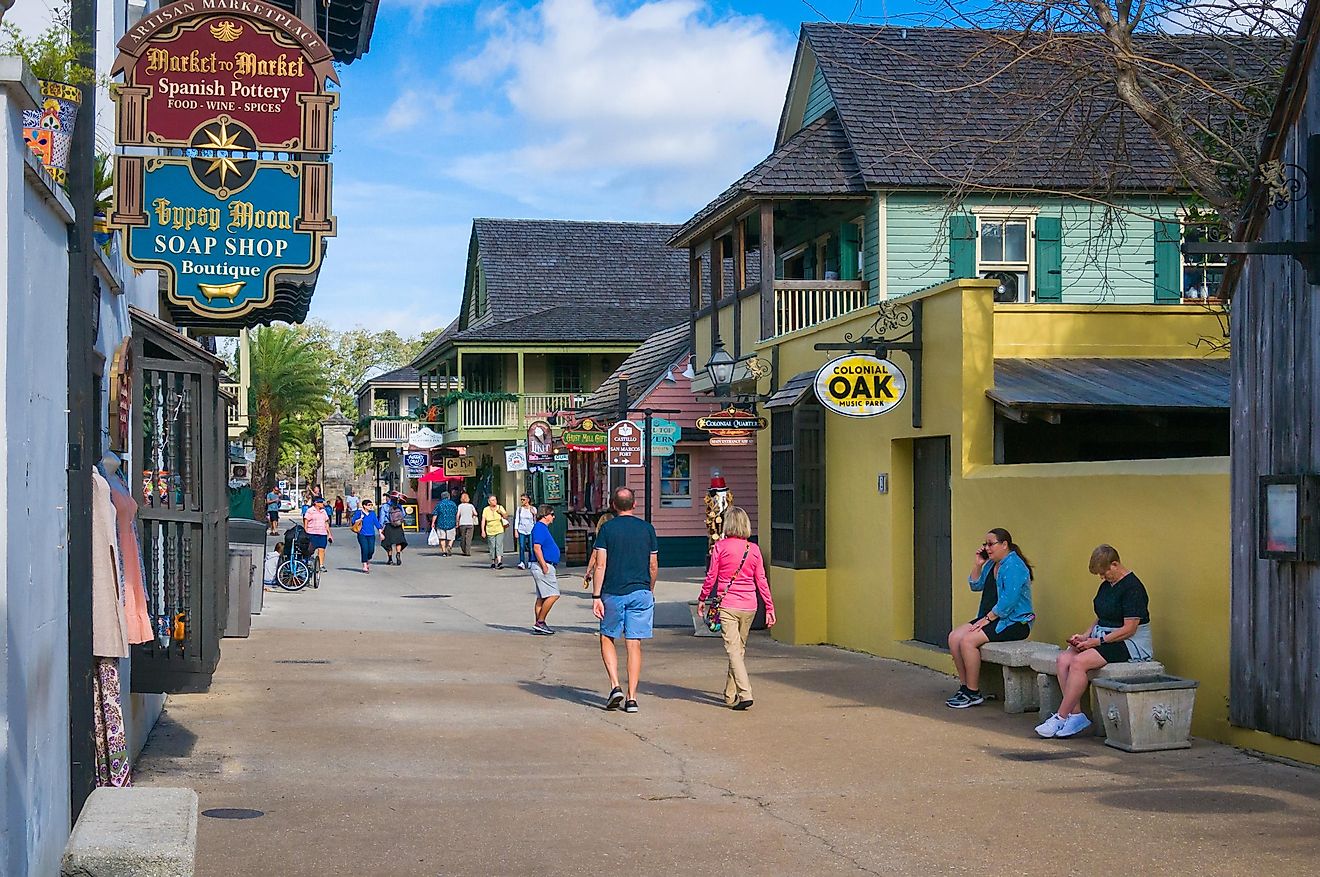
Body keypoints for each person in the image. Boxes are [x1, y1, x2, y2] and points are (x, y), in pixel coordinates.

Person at [1035, 544, 1153, 739]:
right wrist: (1085, 636)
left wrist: (1096, 642)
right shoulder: (1107, 585)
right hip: (1103, 636)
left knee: (1079, 663)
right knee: (1064, 659)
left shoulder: (1133, 588)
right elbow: (1102, 616)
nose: (1102, 577)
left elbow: (1129, 628)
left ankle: (1060, 716)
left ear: (1115, 564)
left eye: (1104, 572)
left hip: (1129, 642)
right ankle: (1076, 715)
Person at [946, 528, 1035, 709]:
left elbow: (1009, 601)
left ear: (1004, 545)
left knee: (968, 641)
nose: (987, 548)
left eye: (991, 544)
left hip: (1015, 622)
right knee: (954, 637)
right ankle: (964, 687)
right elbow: (975, 585)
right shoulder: (991, 564)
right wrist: (978, 565)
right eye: (985, 544)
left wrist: (986, 620)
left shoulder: (1015, 566)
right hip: (991, 618)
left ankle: (973, 691)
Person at [697, 507, 775, 710]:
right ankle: (730, 694)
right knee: (738, 650)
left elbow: (711, 577)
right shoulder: (754, 549)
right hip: (750, 605)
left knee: (733, 650)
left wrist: (702, 598)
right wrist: (769, 606)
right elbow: (761, 580)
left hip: (728, 604)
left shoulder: (720, 548)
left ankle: (745, 693)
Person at [589, 487, 658, 714]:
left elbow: (601, 564)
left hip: (613, 592)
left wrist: (596, 596)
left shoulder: (607, 529)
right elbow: (653, 565)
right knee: (634, 643)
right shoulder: (647, 529)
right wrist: (649, 588)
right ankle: (632, 698)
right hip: (641, 591)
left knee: (607, 637)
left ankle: (615, 685)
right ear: (635, 504)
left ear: (613, 505)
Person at [529, 505, 561, 634]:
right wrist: (544, 565)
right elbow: (537, 547)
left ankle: (539, 624)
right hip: (543, 564)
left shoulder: (542, 528)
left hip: (543, 564)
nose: (553, 517)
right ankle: (540, 621)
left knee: (542, 597)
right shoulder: (540, 528)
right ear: (545, 515)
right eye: (552, 514)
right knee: (554, 594)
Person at [582, 510, 615, 590]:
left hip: (604, 567)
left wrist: (588, 570)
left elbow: (594, 555)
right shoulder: (618, 535)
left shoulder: (601, 537)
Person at [303, 496, 333, 574]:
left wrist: (329, 534)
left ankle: (321, 565)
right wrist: (305, 531)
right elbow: (306, 521)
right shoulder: (310, 511)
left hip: (322, 533)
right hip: (312, 533)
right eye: (320, 502)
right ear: (316, 503)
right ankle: (308, 562)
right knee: (310, 549)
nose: (322, 504)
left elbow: (326, 523)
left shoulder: (324, 511)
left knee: (322, 549)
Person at [351, 499, 383, 574]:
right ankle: (365, 565)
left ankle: (367, 559)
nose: (370, 506)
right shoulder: (359, 513)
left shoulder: (372, 513)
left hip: (371, 534)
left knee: (371, 550)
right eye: (369, 505)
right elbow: (353, 521)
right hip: (362, 534)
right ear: (364, 506)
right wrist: (360, 518)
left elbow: (376, 523)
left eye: (371, 505)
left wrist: (380, 532)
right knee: (364, 549)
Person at [481, 495, 509, 569]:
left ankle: (499, 561)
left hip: (499, 529)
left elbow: (506, 516)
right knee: (492, 546)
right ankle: (493, 561)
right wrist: (483, 530)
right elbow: (483, 520)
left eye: (495, 500)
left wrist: (501, 513)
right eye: (492, 500)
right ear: (489, 502)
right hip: (490, 530)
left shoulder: (500, 507)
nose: (494, 501)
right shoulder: (486, 509)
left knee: (499, 545)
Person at [380, 492, 408, 565]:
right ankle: (398, 554)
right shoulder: (399, 505)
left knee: (388, 543)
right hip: (398, 525)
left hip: (389, 526)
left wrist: (381, 528)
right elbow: (404, 514)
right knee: (398, 542)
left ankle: (390, 559)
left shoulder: (385, 506)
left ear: (389, 497)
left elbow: (382, 518)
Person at [431, 490, 458, 557]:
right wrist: (457, 521)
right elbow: (456, 513)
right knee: (451, 537)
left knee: (442, 538)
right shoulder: (453, 504)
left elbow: (435, 514)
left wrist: (433, 523)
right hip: (451, 523)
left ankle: (444, 552)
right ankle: (449, 546)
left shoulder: (439, 504)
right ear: (448, 497)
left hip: (441, 523)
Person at [514, 494, 536, 570]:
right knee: (522, 546)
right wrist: (516, 530)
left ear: (528, 500)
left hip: (530, 529)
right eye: (521, 500)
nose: (522, 501)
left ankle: (531, 561)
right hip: (521, 529)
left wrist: (534, 514)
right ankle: (522, 562)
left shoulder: (533, 508)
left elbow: (535, 521)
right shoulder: (519, 509)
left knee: (530, 546)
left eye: (523, 499)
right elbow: (517, 519)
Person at [456, 492, 478, 556]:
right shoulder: (471, 506)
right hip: (470, 523)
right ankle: (467, 551)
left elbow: (458, 515)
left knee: (463, 537)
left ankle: (463, 549)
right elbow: (476, 513)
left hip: (462, 523)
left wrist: (457, 522)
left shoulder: (460, 506)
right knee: (469, 538)